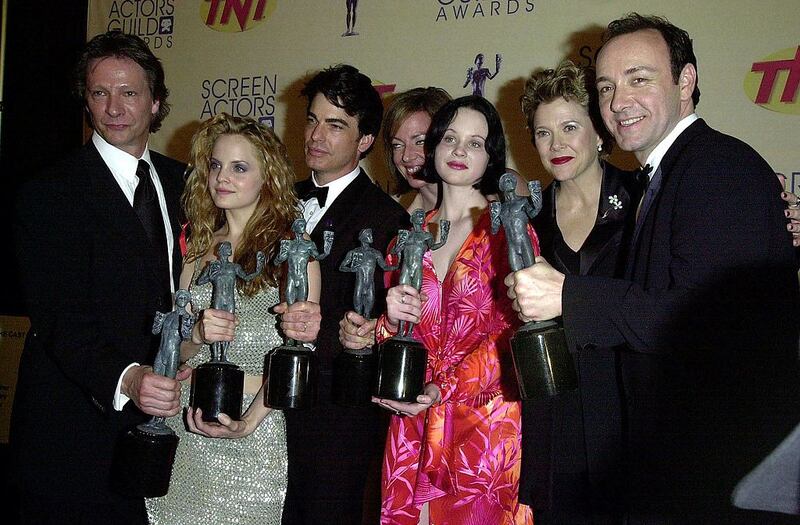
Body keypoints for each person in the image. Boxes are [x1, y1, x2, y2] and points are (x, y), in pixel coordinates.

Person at [505, 14, 800, 524]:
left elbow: (710, 323)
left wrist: (571, 297)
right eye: (606, 87)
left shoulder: (716, 168)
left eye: (639, 78)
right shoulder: (671, 175)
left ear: (685, 81)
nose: (619, 101)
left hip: (718, 471)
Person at [9, 31, 186, 524]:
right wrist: (128, 377)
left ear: (155, 102)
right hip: (74, 435)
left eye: (129, 92)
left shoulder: (188, 183)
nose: (113, 107)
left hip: (170, 429)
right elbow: (60, 319)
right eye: (99, 93)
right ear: (85, 102)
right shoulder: (49, 194)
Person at [145, 112, 321, 525]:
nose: (222, 177)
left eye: (239, 167)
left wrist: (248, 424)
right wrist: (199, 336)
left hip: (256, 428)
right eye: (216, 165)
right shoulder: (196, 249)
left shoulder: (293, 249)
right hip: (188, 423)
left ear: (268, 178)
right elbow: (178, 348)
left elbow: (297, 352)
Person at [373, 95, 535, 524]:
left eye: (475, 143)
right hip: (412, 425)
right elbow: (397, 337)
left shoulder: (507, 230)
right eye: (450, 138)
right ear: (434, 149)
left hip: (482, 427)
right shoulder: (404, 239)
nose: (460, 151)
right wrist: (388, 323)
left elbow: (512, 334)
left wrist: (439, 390)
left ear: (491, 158)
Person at [513, 60, 634, 524]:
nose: (556, 144)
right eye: (543, 133)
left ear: (600, 131)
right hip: (555, 418)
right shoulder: (527, 219)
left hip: (626, 413)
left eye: (569, 127)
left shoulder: (644, 200)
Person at [288, 63, 408, 524]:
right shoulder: (275, 200)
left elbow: (386, 322)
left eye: (335, 125)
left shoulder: (387, 218)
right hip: (267, 402)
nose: (316, 135)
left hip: (337, 416)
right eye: (313, 120)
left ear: (364, 141)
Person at [382, 87, 452, 213]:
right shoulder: (402, 226)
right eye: (397, 145)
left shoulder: (489, 217)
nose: (406, 157)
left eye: (420, 142)